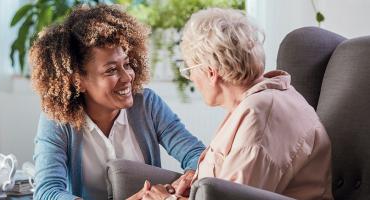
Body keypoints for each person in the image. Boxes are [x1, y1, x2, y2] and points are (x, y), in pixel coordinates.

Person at [130, 8, 332, 200]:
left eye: (189, 69)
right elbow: (232, 184)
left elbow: (234, 196)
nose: (190, 77)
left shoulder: (259, 116)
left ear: (210, 72)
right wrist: (195, 182)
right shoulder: (265, 101)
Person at [29, 5, 206, 200]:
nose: (127, 77)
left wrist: (187, 179)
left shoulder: (147, 104)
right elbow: (47, 192)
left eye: (127, 64)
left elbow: (197, 155)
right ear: (77, 80)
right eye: (111, 70)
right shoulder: (57, 120)